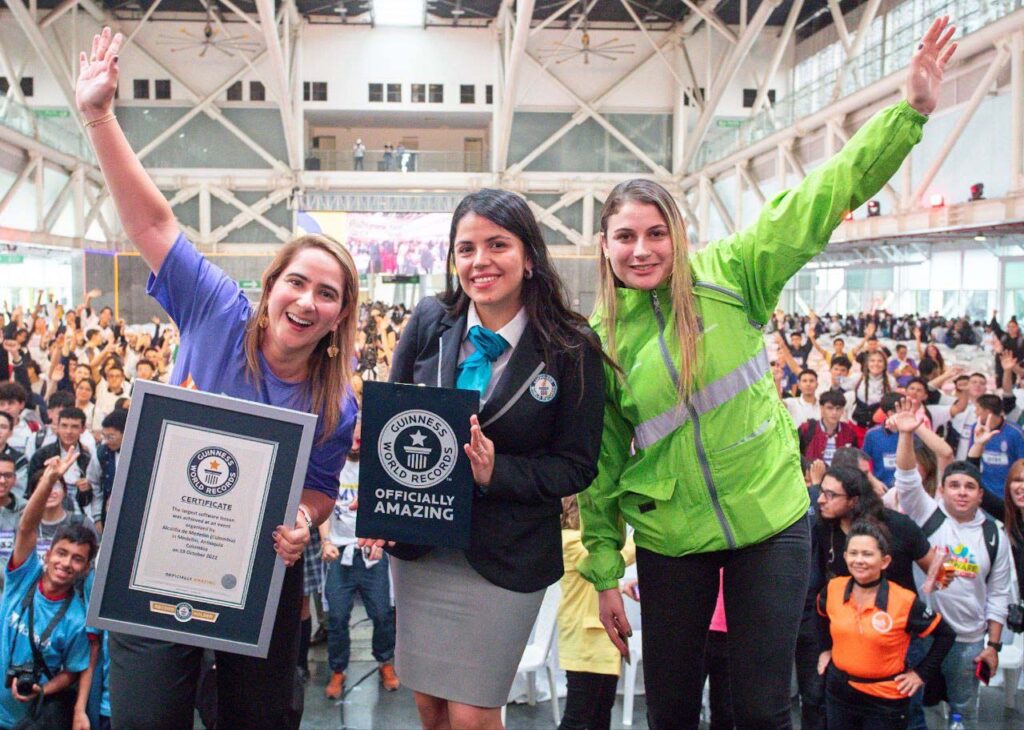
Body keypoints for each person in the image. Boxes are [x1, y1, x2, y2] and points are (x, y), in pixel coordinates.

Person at [578, 18, 957, 729]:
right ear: (604, 244)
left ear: (679, 235)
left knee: (759, 707)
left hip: (772, 519)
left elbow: (819, 197)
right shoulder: (600, 341)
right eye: (625, 236)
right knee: (670, 708)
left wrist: (909, 113)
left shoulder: (734, 276)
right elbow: (601, 468)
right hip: (670, 539)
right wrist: (603, 570)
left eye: (656, 233)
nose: (641, 249)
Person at [77, 27, 359, 729]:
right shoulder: (213, 310)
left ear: (340, 316)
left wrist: (304, 520)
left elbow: (321, 489)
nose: (307, 300)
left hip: (258, 579)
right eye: (297, 281)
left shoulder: (337, 404)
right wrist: (99, 117)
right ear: (270, 287)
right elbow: (151, 221)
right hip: (157, 556)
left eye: (327, 294)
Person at [371, 188, 606, 729]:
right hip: (423, 547)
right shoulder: (432, 319)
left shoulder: (571, 346)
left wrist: (495, 470)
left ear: (528, 256)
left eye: (497, 245)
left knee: (474, 714)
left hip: (505, 556)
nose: (480, 262)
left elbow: (576, 464)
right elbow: (397, 415)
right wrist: (382, 506)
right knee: (430, 708)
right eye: (466, 249)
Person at [892, 398, 1012, 729]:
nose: (961, 492)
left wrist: (994, 645)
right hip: (922, 636)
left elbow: (999, 593)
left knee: (964, 711)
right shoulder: (927, 515)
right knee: (921, 707)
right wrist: (906, 435)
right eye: (954, 485)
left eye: (970, 487)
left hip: (967, 640)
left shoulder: (994, 535)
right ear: (941, 490)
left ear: (979, 495)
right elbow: (905, 477)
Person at [816, 520, 955, 730]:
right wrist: (825, 649)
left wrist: (920, 674)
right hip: (839, 694)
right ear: (845, 557)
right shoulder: (833, 589)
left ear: (885, 561)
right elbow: (819, 615)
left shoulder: (904, 601)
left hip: (884, 702)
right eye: (853, 553)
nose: (859, 560)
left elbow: (946, 635)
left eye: (867, 554)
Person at [0, 448, 93, 730]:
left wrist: (45, 689)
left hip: (28, 718)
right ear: (49, 553)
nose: (66, 563)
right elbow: (27, 529)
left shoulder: (77, 619)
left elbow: (72, 671)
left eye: (77, 559)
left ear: (86, 568)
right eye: (62, 553)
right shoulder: (24, 577)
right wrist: (49, 479)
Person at [321, 419, 398, 699]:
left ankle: (384, 662)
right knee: (338, 617)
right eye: (351, 439)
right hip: (340, 552)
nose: (355, 444)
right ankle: (338, 670)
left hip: (371, 553)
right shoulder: (332, 464)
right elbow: (324, 505)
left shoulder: (378, 467)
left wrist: (381, 538)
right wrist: (326, 540)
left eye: (360, 440)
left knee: (382, 614)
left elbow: (388, 505)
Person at [556, 494, 635, 730]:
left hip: (602, 643)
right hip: (585, 642)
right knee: (577, 720)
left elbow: (591, 583)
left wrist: (621, 587)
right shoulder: (569, 541)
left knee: (601, 715)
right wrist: (645, 528)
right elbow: (609, 560)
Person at [965, 395, 1024, 516]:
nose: (975, 413)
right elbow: (972, 459)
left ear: (987, 411)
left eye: (977, 409)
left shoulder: (1015, 433)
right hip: (985, 494)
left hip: (1008, 496)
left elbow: (1021, 464)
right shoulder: (976, 430)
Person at [85, 409, 126, 531]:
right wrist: (97, 517)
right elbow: (94, 485)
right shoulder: (102, 454)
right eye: (104, 436)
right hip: (107, 515)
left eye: (111, 437)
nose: (106, 441)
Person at [798, 390, 858, 465]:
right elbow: (796, 455)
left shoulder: (849, 432)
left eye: (838, 408)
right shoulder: (807, 428)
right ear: (822, 409)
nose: (834, 413)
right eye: (830, 408)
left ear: (843, 410)